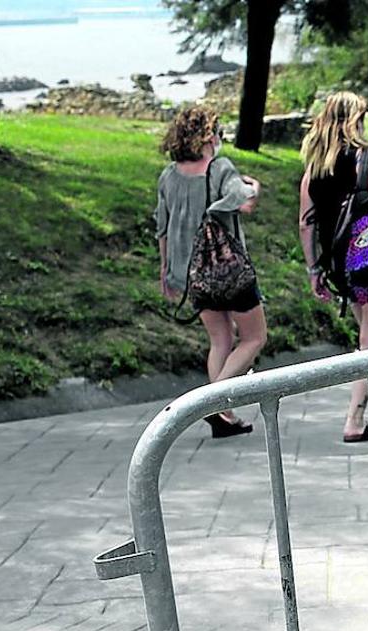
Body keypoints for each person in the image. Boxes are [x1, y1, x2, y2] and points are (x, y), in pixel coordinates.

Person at [298, 91, 368, 443]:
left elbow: (306, 223)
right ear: (355, 120)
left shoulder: (315, 165)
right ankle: (354, 420)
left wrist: (314, 269)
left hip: (339, 265)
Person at [155, 106, 265, 439]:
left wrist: (166, 271)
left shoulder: (168, 176)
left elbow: (162, 227)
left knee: (220, 340)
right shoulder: (220, 168)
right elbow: (243, 202)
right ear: (208, 136)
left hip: (193, 274)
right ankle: (214, 403)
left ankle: (225, 416)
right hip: (228, 270)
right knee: (254, 338)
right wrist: (255, 187)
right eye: (217, 132)